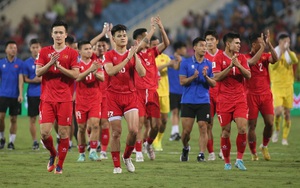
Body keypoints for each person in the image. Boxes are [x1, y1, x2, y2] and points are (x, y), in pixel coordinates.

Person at [35, 20, 79, 174]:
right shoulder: (45, 52)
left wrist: (60, 67)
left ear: (66, 35)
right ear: (51, 34)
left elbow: (76, 74)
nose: (59, 35)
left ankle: (60, 165)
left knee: (64, 133)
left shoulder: (72, 53)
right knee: (45, 133)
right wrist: (51, 64)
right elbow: (38, 73)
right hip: (47, 98)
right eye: (56, 32)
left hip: (65, 99)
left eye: (61, 32)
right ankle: (53, 153)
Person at [103, 24, 145, 174]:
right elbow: (111, 71)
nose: (122, 37)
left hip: (130, 96)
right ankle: (117, 166)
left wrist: (134, 56)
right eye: (119, 35)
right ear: (113, 39)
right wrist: (127, 58)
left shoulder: (132, 54)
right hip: (113, 97)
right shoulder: (108, 55)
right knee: (116, 133)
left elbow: (142, 73)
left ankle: (127, 157)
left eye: (124, 35)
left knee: (134, 130)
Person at [133, 16, 170, 162]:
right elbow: (143, 43)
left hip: (153, 92)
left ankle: (148, 144)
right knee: (140, 124)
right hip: (139, 93)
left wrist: (161, 28)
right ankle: (138, 151)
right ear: (137, 40)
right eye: (143, 38)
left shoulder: (152, 52)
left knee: (156, 125)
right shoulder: (133, 52)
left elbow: (166, 43)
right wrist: (152, 29)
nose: (147, 40)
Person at [213, 32, 251, 171]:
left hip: (240, 99)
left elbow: (248, 75)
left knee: (242, 128)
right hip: (224, 100)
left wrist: (238, 65)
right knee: (226, 132)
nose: (239, 45)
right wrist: (230, 66)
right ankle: (227, 162)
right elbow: (216, 77)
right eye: (236, 43)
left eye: (240, 43)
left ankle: (239, 160)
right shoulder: (218, 58)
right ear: (228, 44)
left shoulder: (242, 58)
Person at [179, 37, 216, 162]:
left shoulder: (209, 65)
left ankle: (201, 154)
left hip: (203, 101)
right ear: (194, 47)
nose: (204, 48)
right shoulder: (185, 63)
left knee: (203, 126)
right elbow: (182, 81)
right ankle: (185, 148)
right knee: (185, 132)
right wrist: (193, 77)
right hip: (188, 101)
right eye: (201, 45)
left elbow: (214, 83)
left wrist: (206, 77)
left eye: (205, 46)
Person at [245, 31, 278, 161]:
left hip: (265, 95)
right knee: (251, 125)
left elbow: (276, 59)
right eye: (261, 42)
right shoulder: (245, 57)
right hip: (251, 95)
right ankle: (253, 153)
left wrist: (269, 44)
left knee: (270, 123)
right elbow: (251, 63)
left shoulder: (265, 56)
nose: (263, 44)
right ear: (254, 44)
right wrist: (263, 48)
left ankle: (264, 146)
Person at [150, 36, 181, 151]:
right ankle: (148, 142)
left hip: (164, 93)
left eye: (158, 44)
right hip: (153, 92)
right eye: (154, 45)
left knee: (164, 120)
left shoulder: (165, 57)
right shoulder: (149, 57)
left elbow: (175, 67)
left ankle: (158, 139)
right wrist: (167, 64)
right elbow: (155, 69)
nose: (157, 47)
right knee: (151, 121)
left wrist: (178, 61)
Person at [75, 40, 104, 162]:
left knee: (95, 125)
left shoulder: (97, 63)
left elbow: (102, 77)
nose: (89, 51)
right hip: (81, 100)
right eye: (86, 49)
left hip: (94, 99)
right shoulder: (76, 64)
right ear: (79, 51)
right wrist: (90, 70)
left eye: (90, 48)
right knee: (81, 128)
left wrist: (95, 73)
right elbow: (77, 77)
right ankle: (81, 153)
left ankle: (92, 151)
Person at [270, 33, 299, 145]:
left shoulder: (290, 54)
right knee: (277, 112)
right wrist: (281, 51)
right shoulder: (273, 54)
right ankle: (277, 131)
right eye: (285, 41)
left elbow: (295, 61)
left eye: (288, 41)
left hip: (288, 87)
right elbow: (273, 66)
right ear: (280, 42)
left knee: (287, 114)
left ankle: (285, 138)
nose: (287, 43)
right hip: (277, 86)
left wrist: (287, 50)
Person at [0, 40, 24, 150]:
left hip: (15, 96)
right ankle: (2, 138)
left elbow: (20, 80)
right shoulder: (1, 63)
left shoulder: (20, 63)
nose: (13, 49)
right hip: (3, 94)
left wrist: (20, 94)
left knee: (13, 119)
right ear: (6, 50)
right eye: (11, 47)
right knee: (1, 117)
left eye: (15, 47)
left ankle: (11, 142)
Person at [204, 30, 223, 161]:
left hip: (222, 94)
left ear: (217, 40)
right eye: (207, 40)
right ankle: (211, 152)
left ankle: (223, 149)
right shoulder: (202, 56)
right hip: (207, 96)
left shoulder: (223, 55)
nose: (209, 42)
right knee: (207, 124)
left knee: (225, 125)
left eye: (211, 39)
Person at [23, 38, 42, 150]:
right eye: (33, 47)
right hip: (32, 94)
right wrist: (33, 80)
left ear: (41, 48)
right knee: (33, 119)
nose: (35, 50)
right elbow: (25, 79)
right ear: (30, 49)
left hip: (45, 94)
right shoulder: (27, 63)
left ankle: (46, 139)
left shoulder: (45, 61)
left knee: (48, 120)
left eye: (37, 47)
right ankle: (35, 141)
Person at [168, 41, 187, 141]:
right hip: (172, 90)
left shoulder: (186, 61)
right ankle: (175, 132)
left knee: (179, 112)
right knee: (174, 111)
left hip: (183, 91)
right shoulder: (169, 59)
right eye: (183, 48)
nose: (185, 50)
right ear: (178, 49)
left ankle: (175, 132)